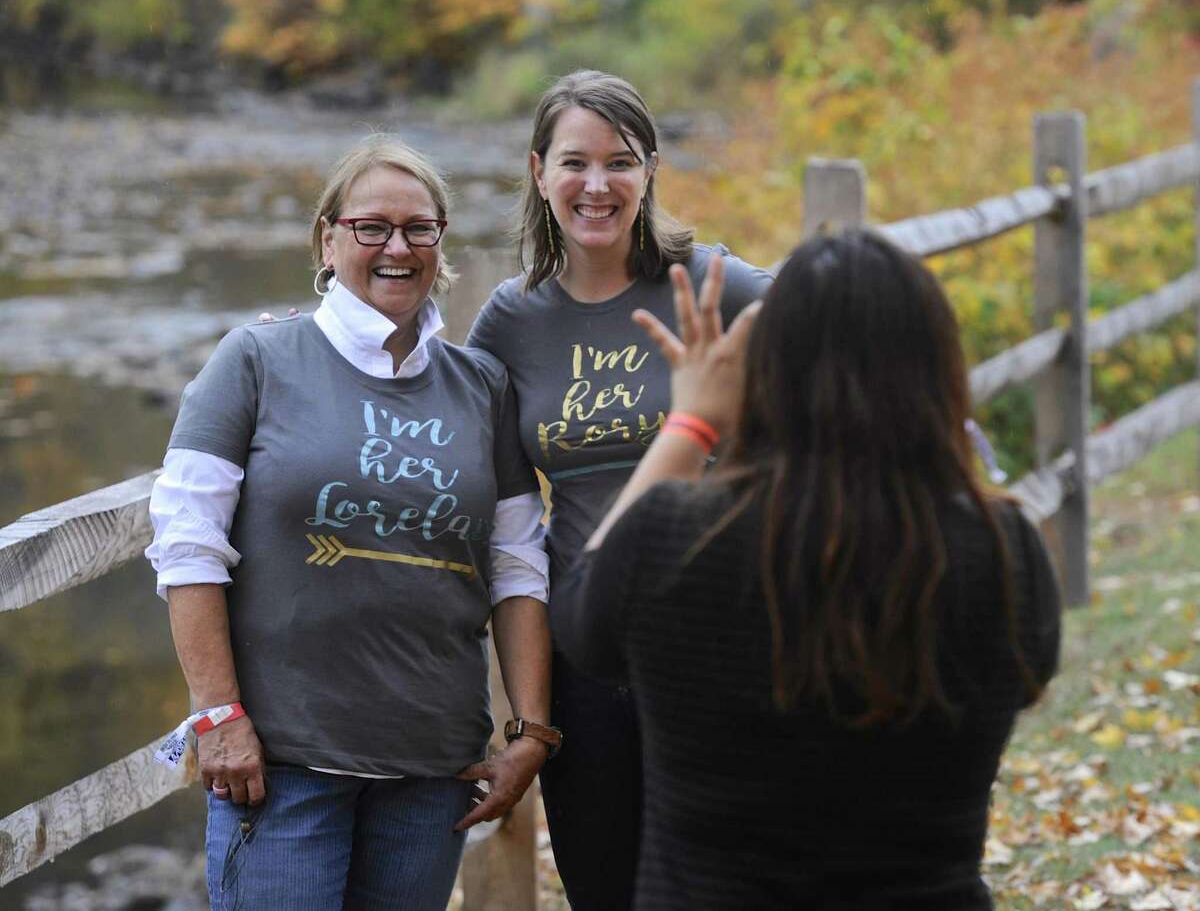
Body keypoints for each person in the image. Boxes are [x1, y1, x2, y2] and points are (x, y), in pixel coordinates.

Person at [553, 233, 1063, 911]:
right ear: (938, 369)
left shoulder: (676, 535)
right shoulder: (1003, 553)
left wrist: (692, 424)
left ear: (764, 371)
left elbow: (581, 621)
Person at [146, 136, 554, 911]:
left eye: (419, 228)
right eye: (371, 227)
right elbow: (187, 547)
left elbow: (518, 567)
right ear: (327, 238)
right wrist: (220, 715)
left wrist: (530, 733)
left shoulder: (481, 387)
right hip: (281, 768)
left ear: (440, 241)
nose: (396, 247)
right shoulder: (257, 360)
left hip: (433, 775)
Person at [465, 69, 773, 910]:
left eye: (620, 162)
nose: (596, 185)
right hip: (586, 654)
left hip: (719, 645)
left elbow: (845, 335)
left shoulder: (710, 285)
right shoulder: (509, 321)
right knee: (607, 888)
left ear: (649, 171)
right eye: (574, 162)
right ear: (538, 172)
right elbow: (494, 515)